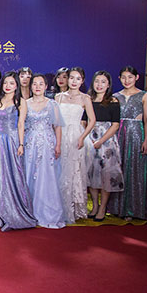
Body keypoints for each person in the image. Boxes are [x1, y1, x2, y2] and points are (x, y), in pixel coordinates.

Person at [0, 72, 37, 231]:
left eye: (11, 83)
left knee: (14, 173)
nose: (8, 86)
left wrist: (21, 144)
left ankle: (15, 209)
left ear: (17, 85)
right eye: (5, 83)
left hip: (12, 141)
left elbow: (21, 124)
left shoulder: (20, 101)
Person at [108, 66, 147, 221]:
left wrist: (146, 140)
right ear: (119, 78)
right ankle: (116, 208)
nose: (126, 80)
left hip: (136, 135)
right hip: (118, 135)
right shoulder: (115, 96)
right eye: (123, 77)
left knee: (135, 169)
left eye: (130, 77)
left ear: (136, 78)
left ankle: (134, 209)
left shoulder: (144, 95)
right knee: (117, 169)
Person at [24, 74, 66, 229]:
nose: (37, 87)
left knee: (47, 176)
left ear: (46, 86)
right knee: (29, 174)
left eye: (41, 84)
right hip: (30, 144)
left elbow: (58, 126)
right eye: (35, 84)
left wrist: (58, 145)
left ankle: (48, 212)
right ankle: (28, 211)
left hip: (48, 144)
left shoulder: (52, 104)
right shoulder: (25, 103)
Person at [55, 67, 96, 223]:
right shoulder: (59, 97)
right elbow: (55, 119)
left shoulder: (85, 98)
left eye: (78, 78)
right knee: (59, 170)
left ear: (82, 81)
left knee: (74, 171)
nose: (74, 81)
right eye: (71, 77)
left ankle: (74, 209)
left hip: (76, 136)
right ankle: (58, 207)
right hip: (60, 134)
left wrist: (82, 137)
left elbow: (92, 120)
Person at [85, 71, 124, 222]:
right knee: (91, 174)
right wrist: (87, 137)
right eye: (97, 81)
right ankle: (95, 205)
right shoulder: (88, 100)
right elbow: (84, 121)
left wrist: (101, 141)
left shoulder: (113, 101)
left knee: (106, 175)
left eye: (103, 82)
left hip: (107, 142)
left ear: (108, 85)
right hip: (90, 139)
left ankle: (103, 207)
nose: (99, 85)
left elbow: (115, 125)